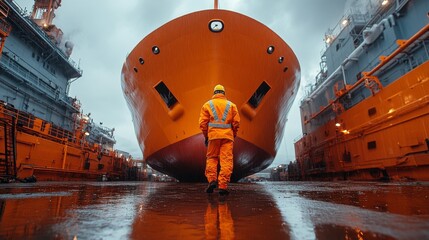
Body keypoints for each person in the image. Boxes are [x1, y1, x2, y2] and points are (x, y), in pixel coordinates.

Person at [199, 84, 240, 196]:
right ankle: (223, 186)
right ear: (223, 93)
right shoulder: (232, 105)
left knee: (212, 158)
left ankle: (212, 180)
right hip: (227, 137)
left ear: (214, 93)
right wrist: (233, 134)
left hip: (213, 137)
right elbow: (236, 123)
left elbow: (203, 124)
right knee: (226, 161)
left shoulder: (207, 105)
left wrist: (206, 136)